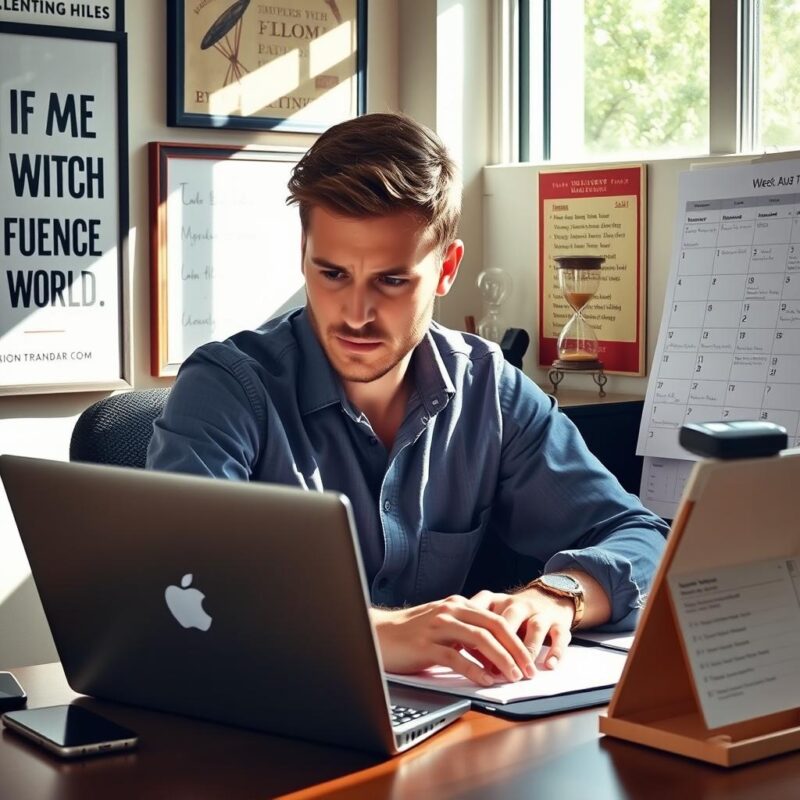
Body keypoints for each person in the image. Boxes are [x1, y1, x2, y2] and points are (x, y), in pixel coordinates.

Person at [147, 112, 668, 688]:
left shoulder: (489, 390)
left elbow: (643, 536)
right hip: (264, 721)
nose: (356, 314)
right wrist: (376, 634)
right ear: (304, 253)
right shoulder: (225, 389)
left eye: (392, 281)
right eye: (333, 273)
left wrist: (560, 594)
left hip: (440, 729)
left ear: (446, 269)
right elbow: (185, 580)